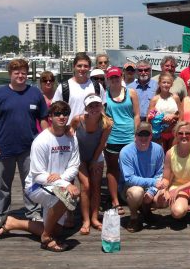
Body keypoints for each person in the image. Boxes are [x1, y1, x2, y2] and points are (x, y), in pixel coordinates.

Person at [0, 101, 80, 252]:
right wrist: (65, 184)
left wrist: (61, 178)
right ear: (50, 117)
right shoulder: (41, 140)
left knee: (57, 231)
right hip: (36, 186)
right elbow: (38, 175)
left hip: (58, 184)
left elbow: (74, 165)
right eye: (57, 114)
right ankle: (46, 238)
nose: (62, 117)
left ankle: (13, 223)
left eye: (65, 113)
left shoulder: (72, 138)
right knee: (67, 196)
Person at [0, 59, 47, 229]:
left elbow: (43, 119)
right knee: (2, 184)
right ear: (10, 74)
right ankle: (0, 214)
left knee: (31, 182)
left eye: (24, 72)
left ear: (27, 74)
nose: (20, 75)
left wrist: (47, 140)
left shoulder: (35, 93)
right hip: (3, 148)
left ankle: (32, 211)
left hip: (29, 148)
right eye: (16, 72)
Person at [71, 94, 112, 234]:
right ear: (86, 108)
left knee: (96, 187)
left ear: (101, 106)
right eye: (91, 106)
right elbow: (68, 134)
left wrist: (94, 161)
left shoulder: (107, 123)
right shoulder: (78, 120)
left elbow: (102, 144)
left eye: (97, 105)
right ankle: (86, 220)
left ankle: (94, 218)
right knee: (86, 186)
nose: (94, 108)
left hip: (96, 156)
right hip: (80, 158)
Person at [156, 121, 190, 227]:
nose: (184, 136)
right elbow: (166, 178)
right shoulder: (170, 153)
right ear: (175, 134)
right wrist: (164, 189)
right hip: (178, 186)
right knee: (177, 213)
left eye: (187, 133)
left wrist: (179, 189)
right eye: (180, 133)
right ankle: (188, 203)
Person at [104, 67, 141, 215]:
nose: (115, 80)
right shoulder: (104, 94)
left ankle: (133, 197)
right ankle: (115, 201)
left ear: (122, 77)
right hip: (113, 137)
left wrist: (136, 134)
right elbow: (102, 115)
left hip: (130, 136)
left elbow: (137, 115)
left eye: (117, 77)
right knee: (113, 169)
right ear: (108, 79)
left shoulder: (131, 93)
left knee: (133, 168)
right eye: (111, 77)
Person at [119, 122, 165, 233]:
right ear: (135, 136)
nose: (143, 138)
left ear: (151, 136)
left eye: (146, 134)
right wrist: (153, 183)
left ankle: (146, 209)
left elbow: (160, 173)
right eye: (140, 134)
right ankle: (134, 217)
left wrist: (151, 192)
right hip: (130, 187)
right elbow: (129, 179)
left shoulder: (158, 149)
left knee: (165, 199)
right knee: (137, 192)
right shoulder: (125, 152)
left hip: (151, 186)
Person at [52, 52, 106, 124]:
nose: (82, 69)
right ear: (74, 67)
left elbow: (102, 109)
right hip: (70, 132)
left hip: (93, 132)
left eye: (85, 66)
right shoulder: (63, 87)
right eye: (79, 66)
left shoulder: (98, 86)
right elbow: (55, 110)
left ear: (89, 68)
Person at [147, 71, 182, 151]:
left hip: (173, 133)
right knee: (160, 156)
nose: (166, 85)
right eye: (164, 82)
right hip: (159, 134)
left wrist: (173, 116)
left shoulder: (175, 97)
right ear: (159, 83)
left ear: (171, 84)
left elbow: (181, 115)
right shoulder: (155, 99)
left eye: (168, 83)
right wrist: (160, 119)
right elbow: (149, 118)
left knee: (172, 157)